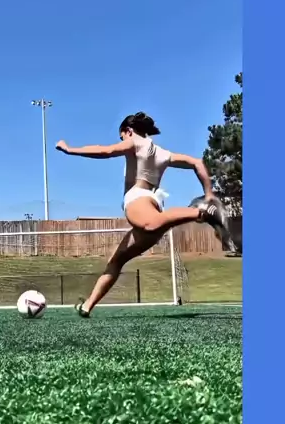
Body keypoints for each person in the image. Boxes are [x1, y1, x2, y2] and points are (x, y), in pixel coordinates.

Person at [56, 111, 230, 317]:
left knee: (150, 224)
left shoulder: (134, 142)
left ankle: (201, 213)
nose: (122, 141)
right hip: (152, 205)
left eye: (122, 136)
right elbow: (197, 162)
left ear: (128, 131)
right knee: (116, 260)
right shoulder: (164, 153)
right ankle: (87, 306)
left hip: (138, 199)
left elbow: (106, 150)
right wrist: (209, 194)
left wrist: (70, 149)